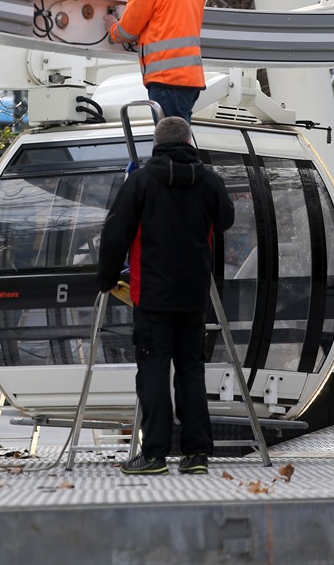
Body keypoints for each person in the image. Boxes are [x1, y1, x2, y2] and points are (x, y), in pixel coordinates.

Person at [96, 115, 234, 476]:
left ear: (156, 143)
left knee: (153, 369)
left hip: (151, 294)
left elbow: (115, 233)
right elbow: (226, 220)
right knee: (191, 369)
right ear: (189, 141)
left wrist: (107, 278)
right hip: (193, 295)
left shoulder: (140, 181)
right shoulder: (209, 180)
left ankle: (154, 454)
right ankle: (197, 454)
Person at [104, 0, 205, 122]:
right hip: (192, 78)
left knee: (170, 143)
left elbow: (127, 31)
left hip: (166, 78)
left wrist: (112, 28)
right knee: (180, 139)